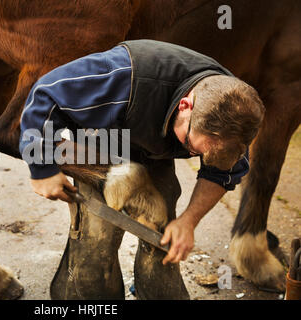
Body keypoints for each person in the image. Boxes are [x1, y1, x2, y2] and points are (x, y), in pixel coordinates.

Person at [19, 39, 265, 265]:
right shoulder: (121, 77)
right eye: (191, 146)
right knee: (97, 242)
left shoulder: (238, 121)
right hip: (105, 135)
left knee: (162, 234)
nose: (193, 153)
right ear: (186, 105)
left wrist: (189, 221)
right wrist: (41, 168)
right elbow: (45, 94)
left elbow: (222, 174)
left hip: (156, 142)